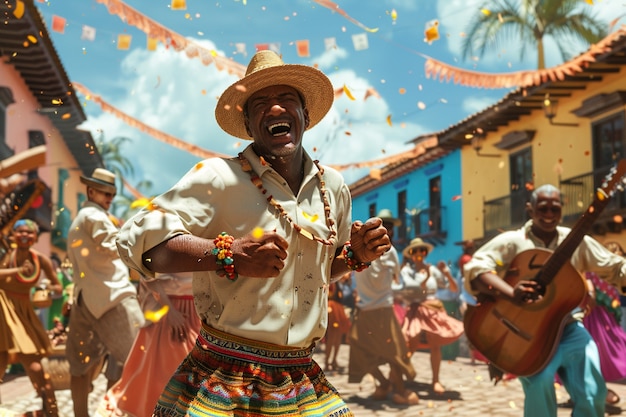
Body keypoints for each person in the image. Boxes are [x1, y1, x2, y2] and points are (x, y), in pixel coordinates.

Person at [116, 49, 391, 417]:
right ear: (248, 124)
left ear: (305, 115)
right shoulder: (218, 177)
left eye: (285, 99)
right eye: (260, 102)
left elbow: (317, 273)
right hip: (224, 375)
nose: (275, 109)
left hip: (300, 377)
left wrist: (356, 256)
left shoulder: (333, 187)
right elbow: (137, 238)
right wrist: (227, 255)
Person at [463, 184, 626, 417]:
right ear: (530, 209)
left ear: (562, 209)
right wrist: (511, 293)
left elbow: (615, 267)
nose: (548, 214)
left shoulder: (577, 240)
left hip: (569, 327)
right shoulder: (513, 241)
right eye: (542, 208)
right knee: (539, 383)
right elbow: (476, 268)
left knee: (593, 391)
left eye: (554, 208)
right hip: (525, 335)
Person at [66, 168, 145, 417]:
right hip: (112, 299)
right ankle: (113, 412)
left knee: (79, 366)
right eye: (105, 192)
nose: (109, 197)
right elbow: (114, 246)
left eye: (112, 193)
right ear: (91, 191)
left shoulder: (81, 219)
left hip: (84, 300)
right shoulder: (96, 216)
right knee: (139, 358)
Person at [96, 272, 201, 417]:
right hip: (168, 312)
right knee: (164, 382)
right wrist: (169, 310)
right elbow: (144, 270)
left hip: (198, 311)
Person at [347, 209, 418, 405]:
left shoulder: (360, 250)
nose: (391, 232)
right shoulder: (390, 252)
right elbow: (398, 281)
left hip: (372, 308)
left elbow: (354, 278)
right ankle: (391, 386)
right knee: (389, 352)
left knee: (374, 351)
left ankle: (392, 386)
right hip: (379, 308)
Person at [0, 219, 62, 417]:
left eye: (29, 232)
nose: (25, 235)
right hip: (3, 307)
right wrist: (18, 270)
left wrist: (45, 288)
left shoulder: (40, 259)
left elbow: (58, 287)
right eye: (20, 231)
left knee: (35, 364)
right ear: (14, 236)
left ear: (36, 237)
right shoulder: (6, 255)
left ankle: (51, 411)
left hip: (25, 311)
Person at [395, 237, 464, 394]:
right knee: (410, 344)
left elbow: (453, 288)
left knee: (435, 345)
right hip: (417, 310)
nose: (419, 253)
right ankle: (397, 376)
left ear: (425, 252)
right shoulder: (407, 271)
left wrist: (446, 273)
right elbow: (416, 290)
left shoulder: (432, 269)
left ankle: (436, 380)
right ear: (411, 254)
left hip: (433, 309)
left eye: (422, 250)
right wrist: (425, 276)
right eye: (415, 251)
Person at [580, 240, 626, 406]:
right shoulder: (589, 273)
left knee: (605, 354)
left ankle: (598, 391)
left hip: (606, 320)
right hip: (591, 318)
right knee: (590, 355)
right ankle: (594, 392)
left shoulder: (615, 275)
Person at [324, 279, 351, 373]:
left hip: (337, 308)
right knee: (332, 337)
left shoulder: (339, 282)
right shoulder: (331, 280)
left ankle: (333, 360)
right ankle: (327, 361)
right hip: (332, 308)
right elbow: (329, 294)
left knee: (337, 337)